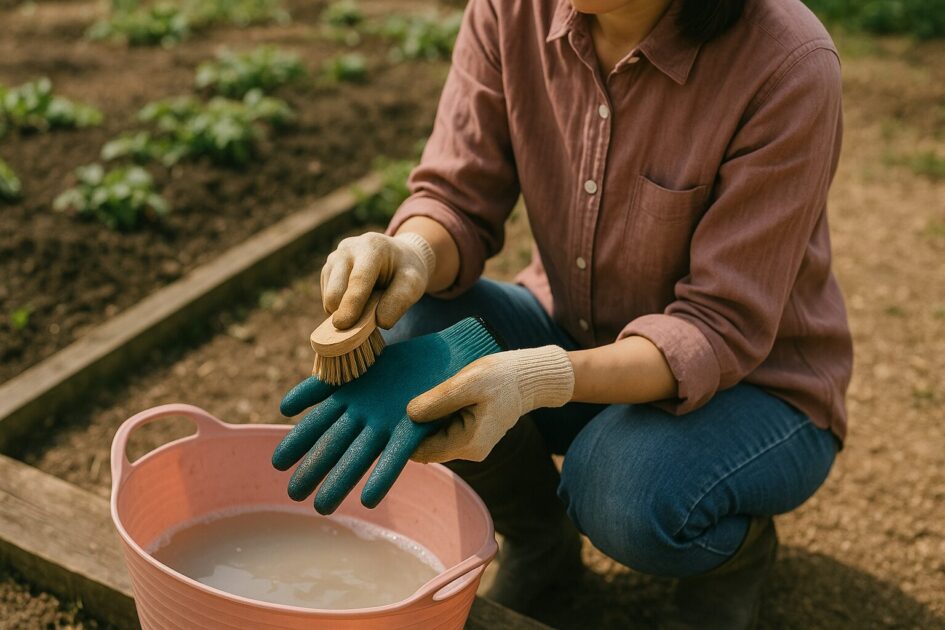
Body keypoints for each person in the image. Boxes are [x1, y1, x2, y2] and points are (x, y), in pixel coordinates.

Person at [315, 0, 852, 626]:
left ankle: (734, 557)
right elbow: (456, 194)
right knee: (419, 332)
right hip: (571, 328)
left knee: (621, 491)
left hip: (754, 386)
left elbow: (716, 325)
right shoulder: (510, 12)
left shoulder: (787, 63)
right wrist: (409, 251)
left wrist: (534, 379)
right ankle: (542, 544)